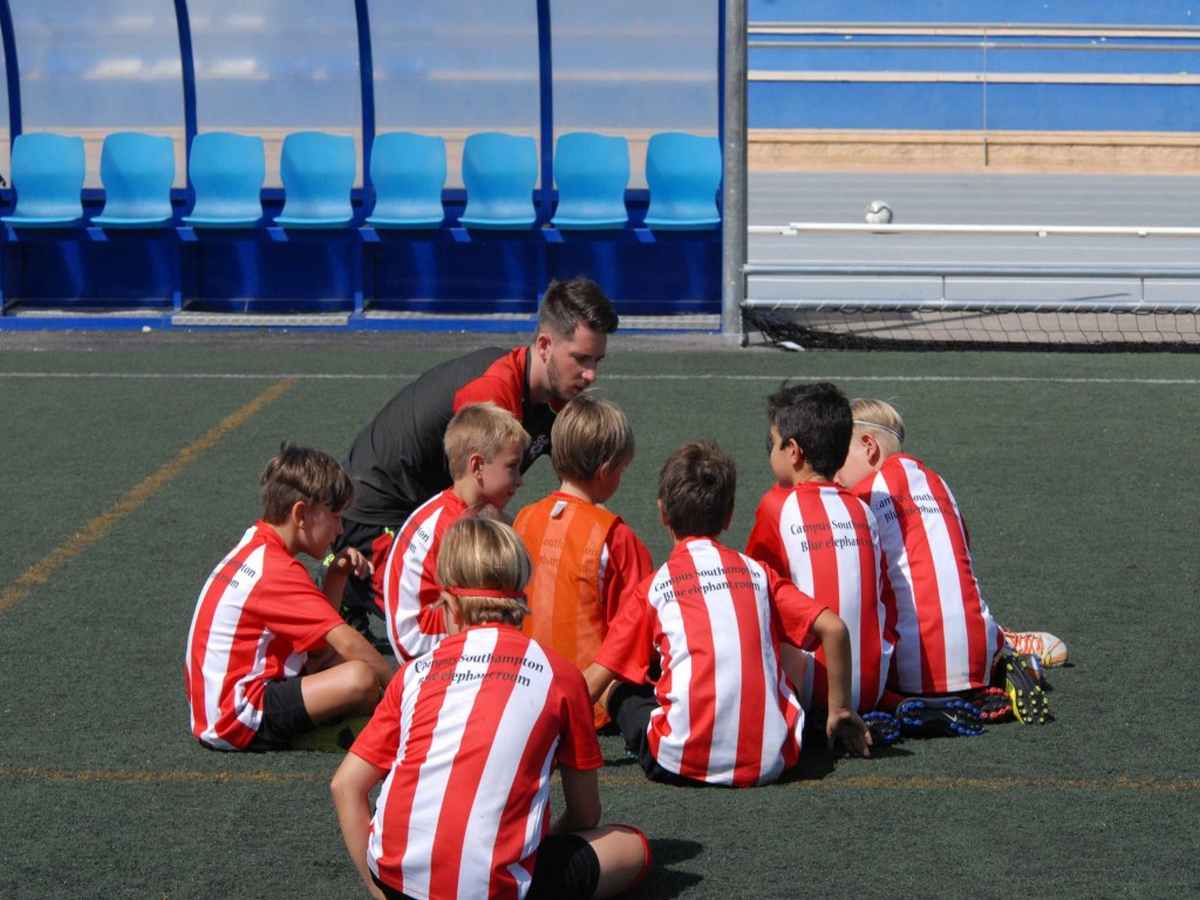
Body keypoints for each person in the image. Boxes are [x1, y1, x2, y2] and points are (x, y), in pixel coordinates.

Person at [331, 518, 651, 900]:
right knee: (632, 847)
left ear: (450, 605)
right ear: (520, 600)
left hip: (397, 881)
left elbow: (345, 785)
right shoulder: (561, 677)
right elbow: (585, 813)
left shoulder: (415, 673)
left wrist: (378, 891)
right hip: (495, 888)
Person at [333, 277, 619, 639]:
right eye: (580, 359)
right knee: (473, 612)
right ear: (545, 345)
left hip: (435, 505)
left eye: (597, 360)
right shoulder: (491, 394)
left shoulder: (557, 396)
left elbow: (578, 490)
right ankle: (349, 584)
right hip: (375, 514)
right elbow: (479, 511)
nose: (591, 375)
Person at [584, 441, 871, 789]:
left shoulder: (653, 588)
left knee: (619, 689)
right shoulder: (757, 572)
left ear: (662, 512)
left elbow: (594, 682)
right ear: (729, 515)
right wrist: (840, 710)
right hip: (773, 761)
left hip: (679, 762)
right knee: (779, 654)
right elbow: (834, 628)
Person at [836, 399, 1067, 702]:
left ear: (868, 446)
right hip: (978, 660)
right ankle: (1000, 643)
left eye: (837, 455)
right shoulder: (938, 483)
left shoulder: (861, 496)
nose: (832, 472)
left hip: (905, 676)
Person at [184, 445, 393, 752]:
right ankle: (320, 734)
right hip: (236, 718)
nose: (339, 529)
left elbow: (320, 648)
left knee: (343, 662)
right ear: (300, 514)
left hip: (220, 708)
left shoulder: (258, 547)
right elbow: (347, 642)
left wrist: (336, 577)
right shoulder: (277, 570)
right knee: (360, 677)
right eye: (335, 517)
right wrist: (404, 691)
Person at [745, 382, 892, 715]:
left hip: (809, 697)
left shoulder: (776, 506)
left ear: (793, 452)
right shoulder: (861, 509)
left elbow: (757, 594)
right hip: (872, 689)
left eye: (774, 443)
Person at [513, 394, 653, 727]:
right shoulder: (615, 536)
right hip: (595, 701)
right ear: (606, 470)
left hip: (523, 688)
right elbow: (639, 626)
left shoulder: (524, 518)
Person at [381, 402, 529, 661]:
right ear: (477, 466)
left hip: (429, 634)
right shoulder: (459, 527)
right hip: (424, 645)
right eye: (512, 466)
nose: (520, 480)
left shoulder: (453, 512)